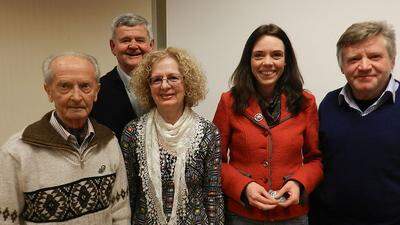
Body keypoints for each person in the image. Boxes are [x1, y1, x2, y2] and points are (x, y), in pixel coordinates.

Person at [0, 52, 130, 225]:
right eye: (65, 86)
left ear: (96, 92)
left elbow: (120, 212)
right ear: (48, 91)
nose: (76, 97)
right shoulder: (16, 153)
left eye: (85, 86)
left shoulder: (109, 141)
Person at [213, 24, 323, 224]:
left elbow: (316, 159)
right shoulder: (229, 101)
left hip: (291, 214)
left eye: (276, 55)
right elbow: (214, 161)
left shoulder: (306, 102)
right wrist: (243, 187)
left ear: (286, 61)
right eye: (259, 55)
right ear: (249, 60)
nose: (267, 62)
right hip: (242, 214)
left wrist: (299, 183)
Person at [309, 21, 400, 225]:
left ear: (392, 60)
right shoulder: (328, 104)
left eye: (375, 56)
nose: (365, 66)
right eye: (354, 59)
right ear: (342, 67)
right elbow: (315, 162)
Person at [120, 47, 224, 225]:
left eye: (173, 78)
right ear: (148, 86)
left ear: (187, 82)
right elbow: (128, 195)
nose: (165, 85)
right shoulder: (133, 133)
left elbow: (213, 195)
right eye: (157, 79)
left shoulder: (207, 132)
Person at [91, 13, 154, 141]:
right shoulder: (97, 91)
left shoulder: (167, 86)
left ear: (151, 45)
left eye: (140, 40)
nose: (133, 46)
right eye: (125, 40)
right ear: (113, 47)